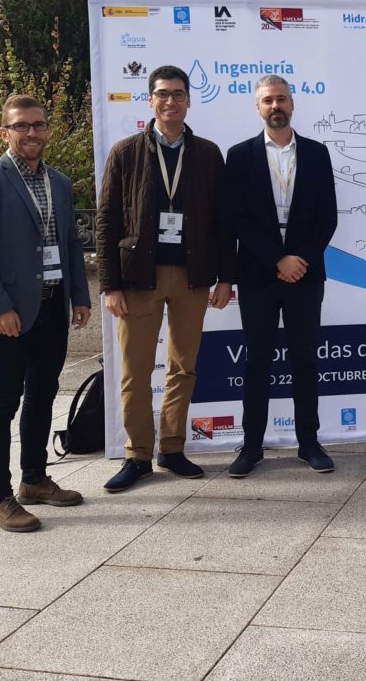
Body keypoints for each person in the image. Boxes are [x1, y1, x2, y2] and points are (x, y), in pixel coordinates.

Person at [96, 65, 234, 493]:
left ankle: (172, 448)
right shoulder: (125, 152)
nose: (170, 101)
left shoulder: (209, 153)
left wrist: (226, 277)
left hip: (193, 277)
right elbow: (106, 221)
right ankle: (137, 455)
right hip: (139, 277)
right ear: (150, 101)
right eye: (162, 94)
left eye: (178, 94)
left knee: (183, 367)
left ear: (189, 101)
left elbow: (222, 221)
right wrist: (109, 284)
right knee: (135, 371)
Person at [0, 95, 91, 532]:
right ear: (5, 132)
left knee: (43, 395)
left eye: (38, 125)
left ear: (48, 129)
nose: (31, 133)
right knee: (3, 403)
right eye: (22, 126)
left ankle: (35, 480)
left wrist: (80, 295)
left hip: (53, 305)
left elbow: (70, 242)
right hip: (9, 313)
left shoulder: (60, 182)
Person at [224, 74, 338, 477]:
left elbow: (328, 218)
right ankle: (251, 446)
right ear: (258, 107)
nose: (276, 106)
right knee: (257, 362)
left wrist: (299, 260)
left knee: (305, 359)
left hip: (306, 275)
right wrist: (278, 259)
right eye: (268, 101)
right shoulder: (238, 156)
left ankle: (309, 443)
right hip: (258, 276)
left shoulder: (317, 153)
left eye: (282, 99)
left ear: (293, 105)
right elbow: (235, 218)